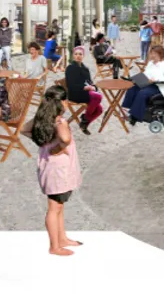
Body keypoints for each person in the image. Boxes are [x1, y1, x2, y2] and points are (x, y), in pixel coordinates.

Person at [30, 85, 83, 256]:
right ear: (60, 102)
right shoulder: (60, 121)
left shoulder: (42, 118)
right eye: (66, 100)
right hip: (58, 170)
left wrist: (46, 144)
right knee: (54, 207)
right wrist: (59, 148)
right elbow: (66, 138)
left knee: (59, 206)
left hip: (50, 168)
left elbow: (25, 129)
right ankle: (54, 246)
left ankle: (62, 238)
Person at [122, 45, 164, 124]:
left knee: (142, 93)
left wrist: (156, 79)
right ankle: (126, 109)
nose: (152, 55)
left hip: (158, 86)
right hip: (147, 83)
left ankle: (134, 117)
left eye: (154, 54)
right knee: (132, 88)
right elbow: (146, 74)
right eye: (151, 53)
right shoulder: (150, 63)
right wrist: (135, 78)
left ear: (160, 54)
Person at [64, 46, 103, 134]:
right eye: (76, 54)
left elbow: (90, 82)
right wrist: (84, 87)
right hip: (75, 93)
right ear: (73, 55)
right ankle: (85, 119)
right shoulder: (70, 68)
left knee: (99, 109)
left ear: (83, 56)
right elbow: (70, 85)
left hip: (86, 93)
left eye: (80, 54)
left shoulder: (85, 68)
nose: (78, 56)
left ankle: (84, 123)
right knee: (98, 96)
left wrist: (94, 87)